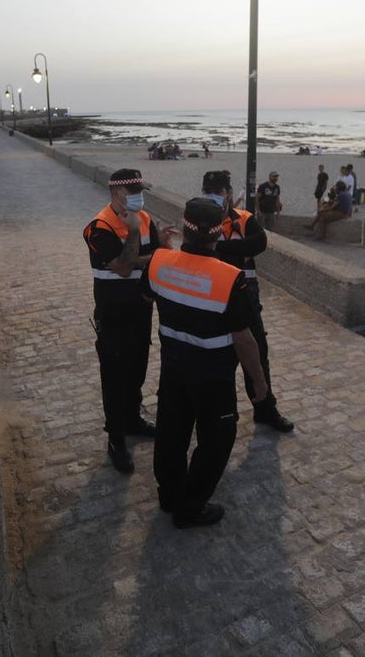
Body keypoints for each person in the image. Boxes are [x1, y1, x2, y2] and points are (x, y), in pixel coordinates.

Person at [142, 198, 268, 528]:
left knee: (171, 433)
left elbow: (147, 295)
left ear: (183, 228)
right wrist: (259, 380)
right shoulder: (231, 277)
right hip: (213, 378)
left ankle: (169, 496)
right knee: (215, 441)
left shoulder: (158, 261)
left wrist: (165, 250)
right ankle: (191, 507)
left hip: (173, 370)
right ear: (217, 235)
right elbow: (244, 339)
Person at [83, 168, 177, 473]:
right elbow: (123, 267)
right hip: (113, 315)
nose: (139, 196)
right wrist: (135, 233)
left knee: (137, 369)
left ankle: (133, 419)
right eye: (133, 191)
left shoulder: (146, 219)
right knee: (114, 377)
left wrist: (161, 244)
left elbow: (157, 258)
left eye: (141, 190)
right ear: (116, 193)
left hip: (141, 309)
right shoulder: (99, 227)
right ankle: (116, 438)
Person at [203, 171, 295, 432]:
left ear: (228, 194)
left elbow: (259, 242)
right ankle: (222, 415)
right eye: (208, 191)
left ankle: (265, 409)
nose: (212, 196)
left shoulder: (244, 219)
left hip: (246, 295)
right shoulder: (198, 217)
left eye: (217, 192)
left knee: (257, 353)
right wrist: (237, 253)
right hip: (212, 295)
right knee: (219, 357)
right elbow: (195, 250)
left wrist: (220, 250)